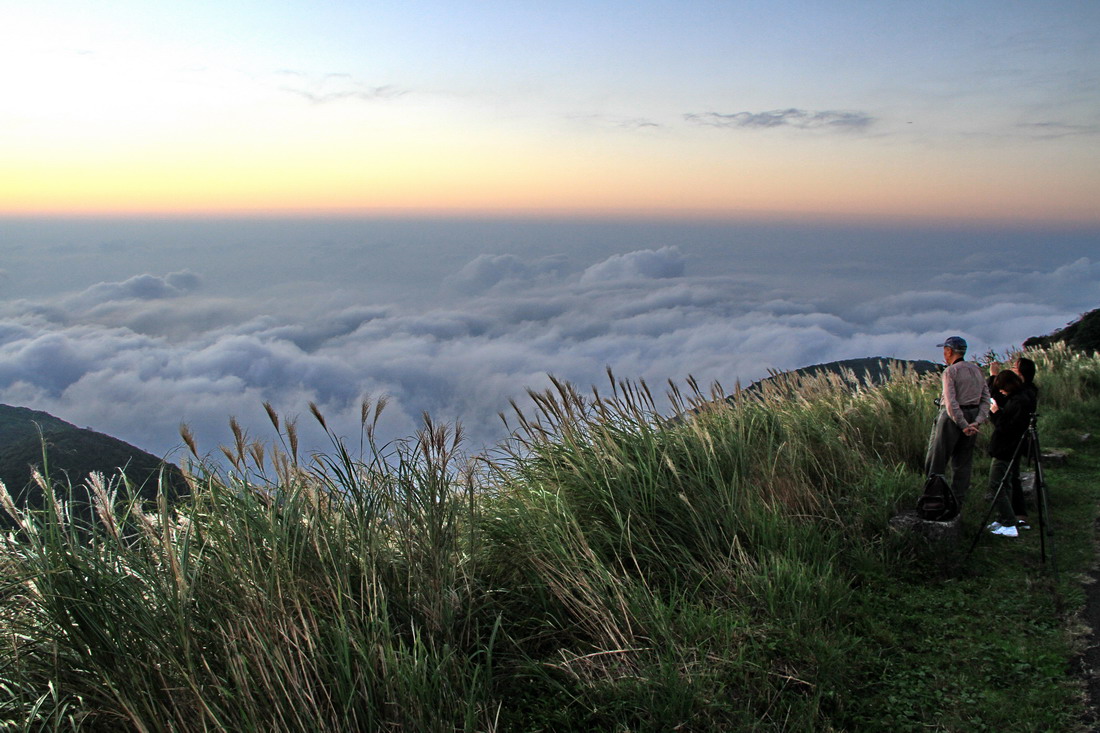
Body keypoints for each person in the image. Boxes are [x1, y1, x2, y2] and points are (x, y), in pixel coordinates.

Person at [925, 336, 991, 508]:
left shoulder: (950, 372)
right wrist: (977, 421)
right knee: (963, 462)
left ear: (949, 351)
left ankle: (934, 499)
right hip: (973, 415)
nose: (944, 354)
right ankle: (957, 501)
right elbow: (986, 398)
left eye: (944, 351)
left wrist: (963, 425)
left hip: (952, 418)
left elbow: (950, 402)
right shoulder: (976, 370)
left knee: (937, 459)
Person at [985, 369, 1037, 538]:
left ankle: (1008, 523)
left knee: (996, 484)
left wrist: (995, 412)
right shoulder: (1022, 397)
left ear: (1008, 385)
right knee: (1005, 483)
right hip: (1011, 448)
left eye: (1001, 387)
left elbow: (1007, 428)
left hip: (1005, 449)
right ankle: (1003, 518)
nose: (1000, 391)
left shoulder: (1019, 402)